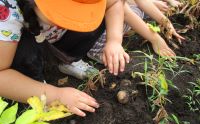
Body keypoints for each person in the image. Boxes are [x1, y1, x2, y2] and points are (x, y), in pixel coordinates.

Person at [0, 0, 128, 117]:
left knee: (94, 21)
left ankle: (67, 60)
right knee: (25, 55)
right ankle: (34, 90)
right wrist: (56, 95)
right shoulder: (7, 10)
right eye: (66, 13)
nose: (77, 19)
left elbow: (114, 3)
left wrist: (114, 41)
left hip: (52, 39)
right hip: (15, 47)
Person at [87, 0, 185, 63]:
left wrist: (166, 23)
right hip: (85, 29)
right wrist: (156, 39)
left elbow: (142, 1)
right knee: (136, 13)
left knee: (140, 11)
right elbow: (125, 13)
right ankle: (96, 50)